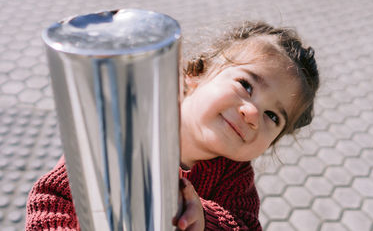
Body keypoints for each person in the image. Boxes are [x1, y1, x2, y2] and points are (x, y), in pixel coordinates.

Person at [26, 21, 319, 230]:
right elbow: (52, 197)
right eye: (246, 84)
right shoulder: (125, 132)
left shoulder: (234, 177)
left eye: (273, 116)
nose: (252, 113)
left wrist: (204, 220)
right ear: (197, 73)